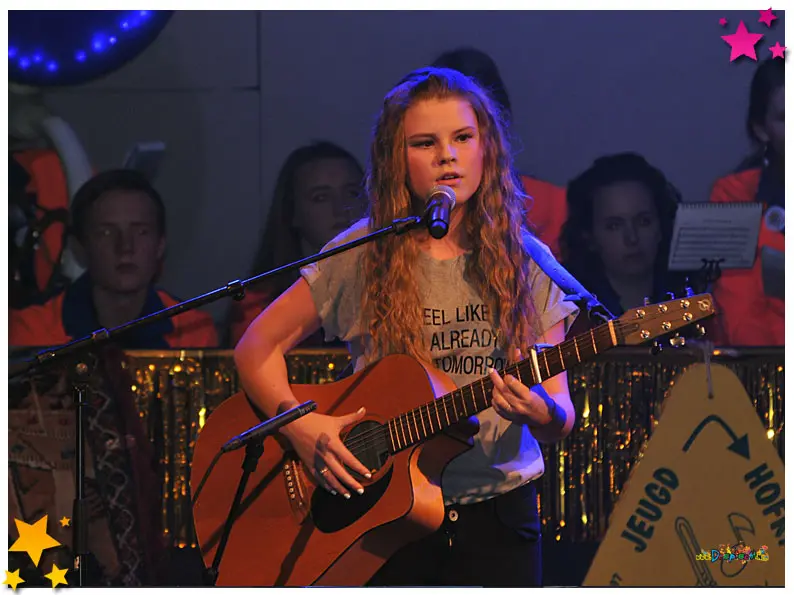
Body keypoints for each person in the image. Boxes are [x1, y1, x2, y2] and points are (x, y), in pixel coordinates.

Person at [234, 67, 579, 586]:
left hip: (500, 514)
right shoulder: (361, 252)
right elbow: (256, 349)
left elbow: (561, 417)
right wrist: (301, 429)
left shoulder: (526, 259)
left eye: (463, 138)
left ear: (487, 149)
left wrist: (541, 411)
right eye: (425, 143)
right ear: (397, 158)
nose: (447, 156)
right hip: (387, 511)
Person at [9, 169, 218, 349]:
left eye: (141, 232)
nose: (125, 247)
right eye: (106, 233)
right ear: (80, 246)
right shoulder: (31, 330)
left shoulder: (192, 331)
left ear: (160, 245)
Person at [432, 47, 568, 258]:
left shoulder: (555, 206)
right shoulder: (403, 216)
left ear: (502, 121)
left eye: (464, 134)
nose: (449, 152)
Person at [227, 141, 365, 346]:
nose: (341, 208)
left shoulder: (395, 283)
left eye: (353, 193)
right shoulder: (258, 307)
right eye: (321, 197)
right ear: (292, 212)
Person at [559, 153, 689, 335]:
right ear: (589, 237)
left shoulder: (689, 294)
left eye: (643, 221)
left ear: (661, 226)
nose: (632, 238)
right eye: (614, 226)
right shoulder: (567, 312)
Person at [708, 57, 784, 346]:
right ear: (762, 129)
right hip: (767, 364)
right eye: (786, 118)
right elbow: (739, 312)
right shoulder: (734, 195)